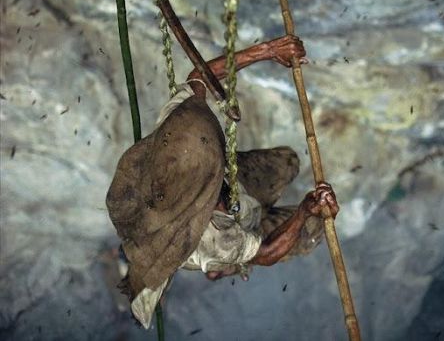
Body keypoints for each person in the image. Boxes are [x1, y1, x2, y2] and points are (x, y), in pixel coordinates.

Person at [106, 35, 339, 329]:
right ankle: (226, 267)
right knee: (318, 225)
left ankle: (225, 241)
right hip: (240, 231)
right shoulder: (215, 240)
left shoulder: (173, 139)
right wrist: (306, 210)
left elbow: (198, 77)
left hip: (236, 180)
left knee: (289, 161)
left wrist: (267, 50)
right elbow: (266, 254)